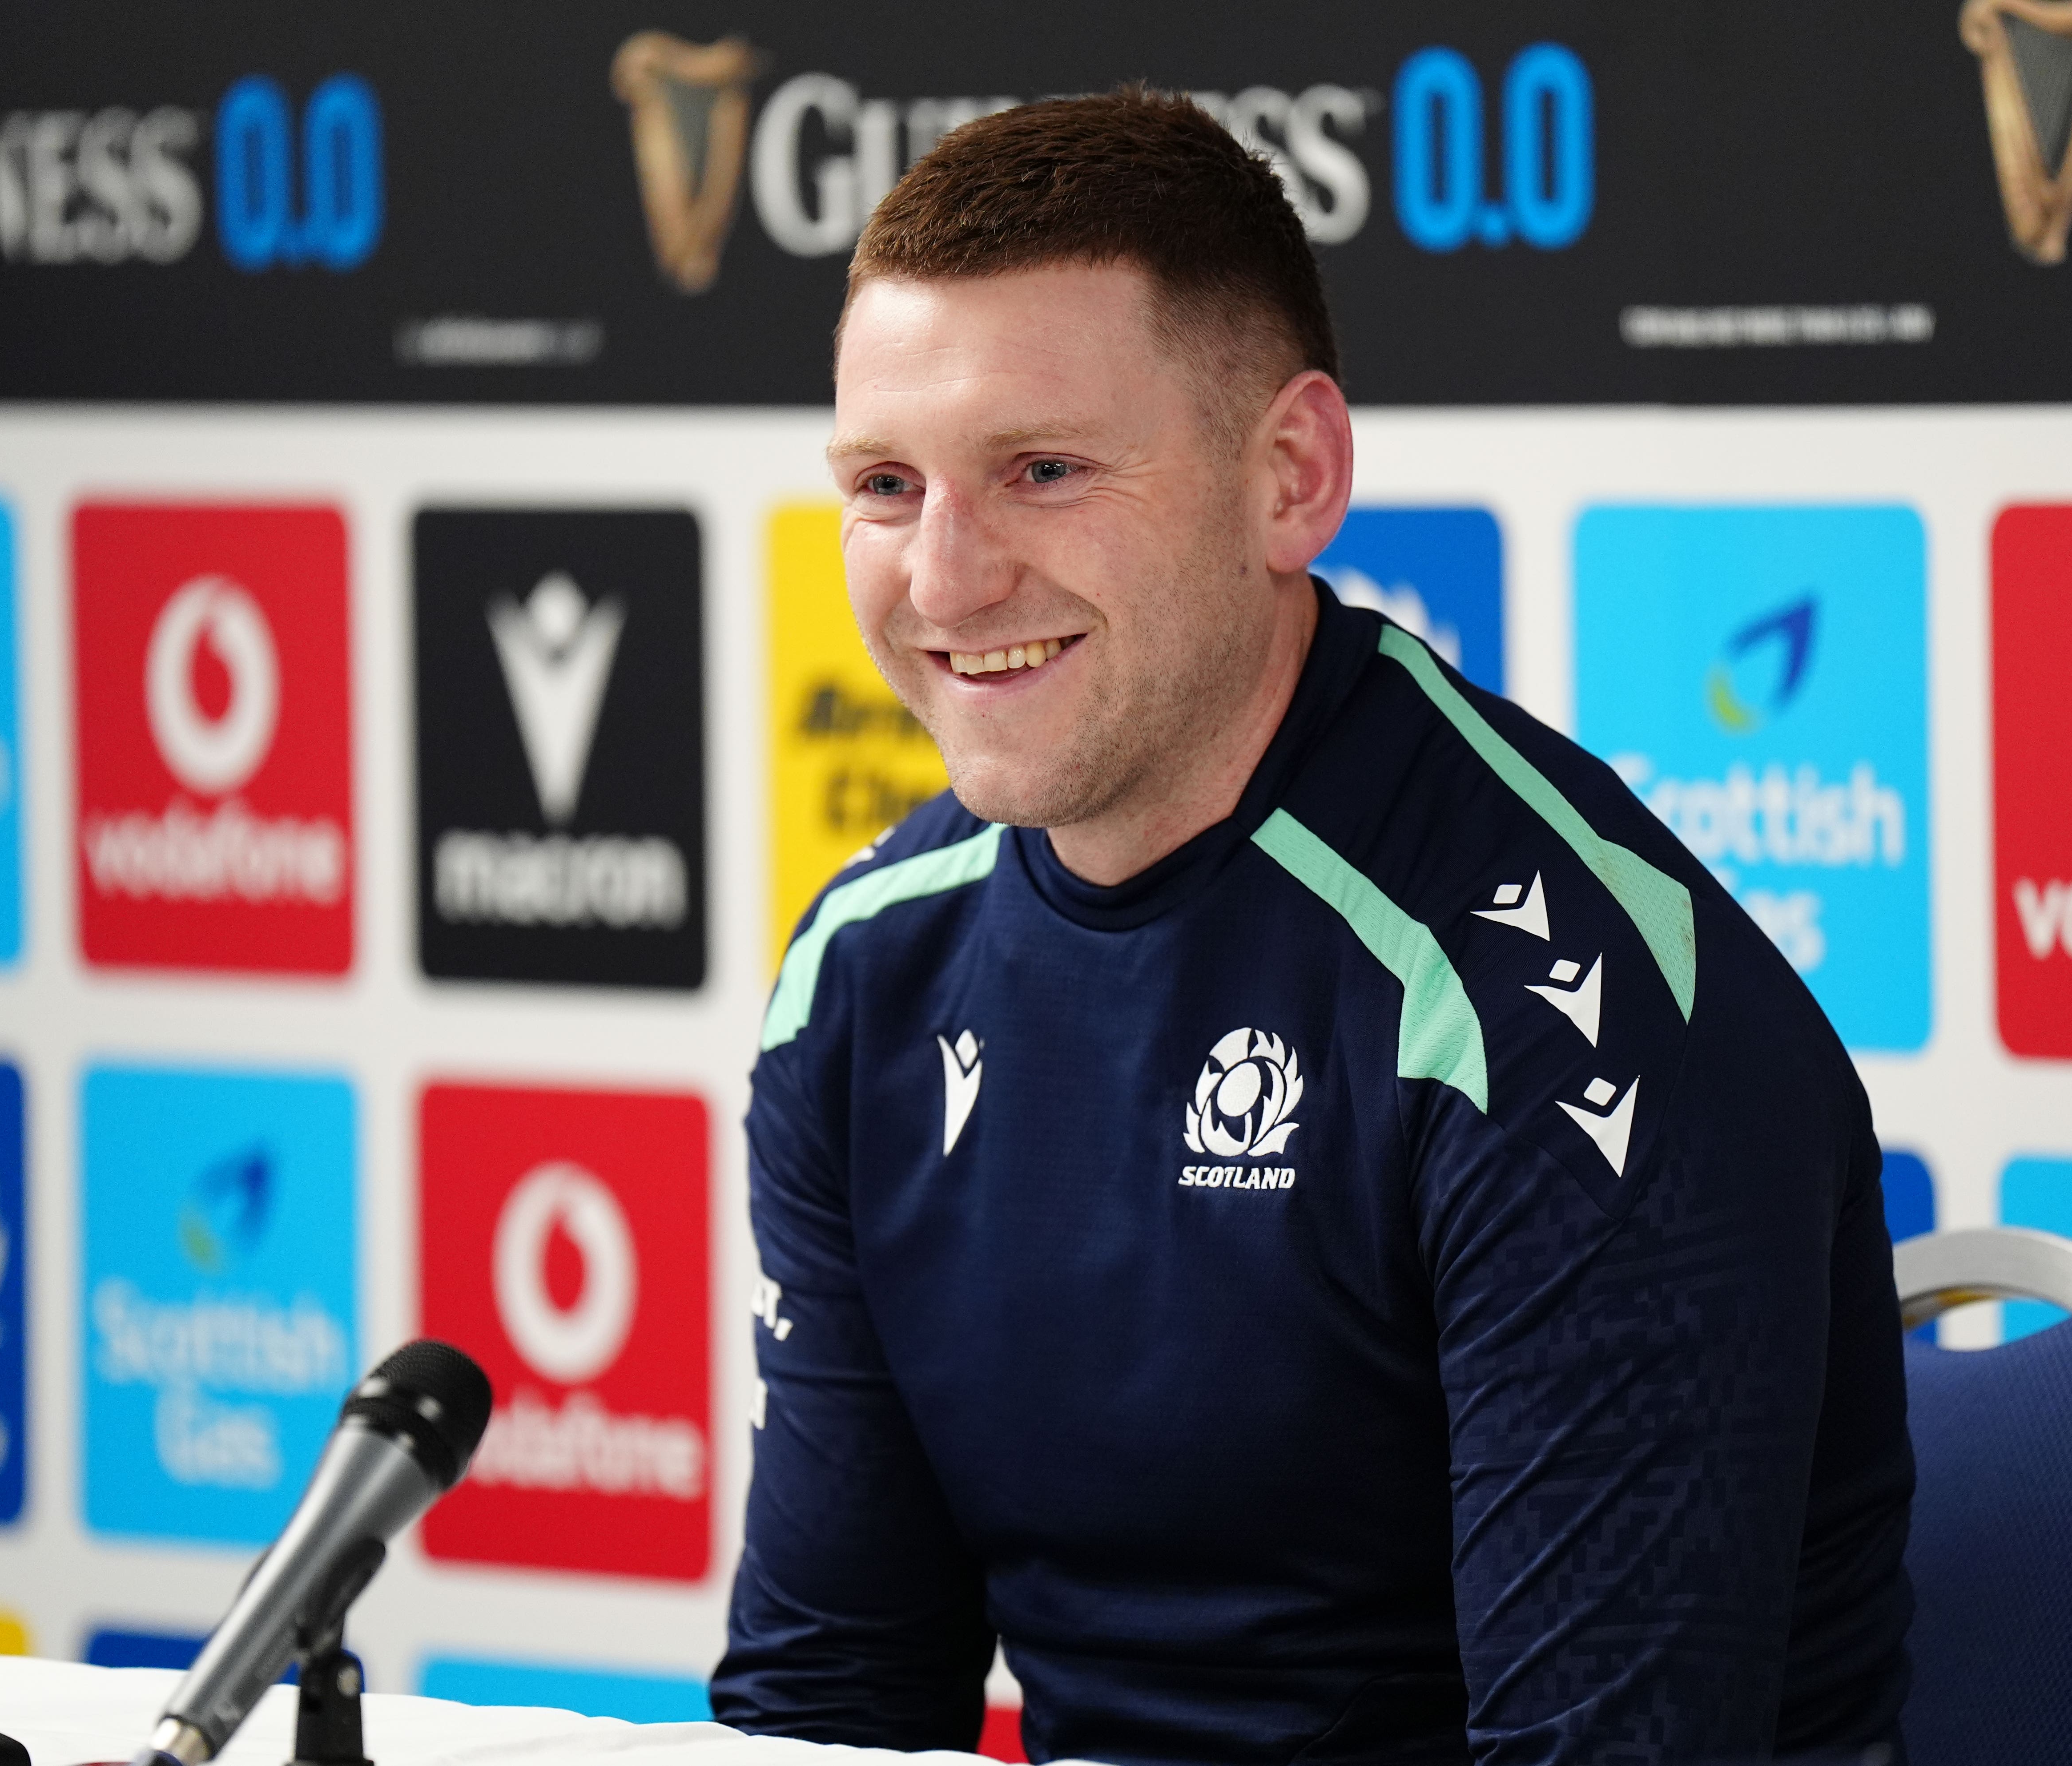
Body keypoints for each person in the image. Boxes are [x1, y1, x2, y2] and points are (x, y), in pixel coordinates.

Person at [713, 89, 1914, 1766]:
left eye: (1041, 471)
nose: (943, 576)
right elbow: (830, 1706)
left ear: (1291, 478)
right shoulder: (863, 975)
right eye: (884, 484)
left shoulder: (1554, 1008)